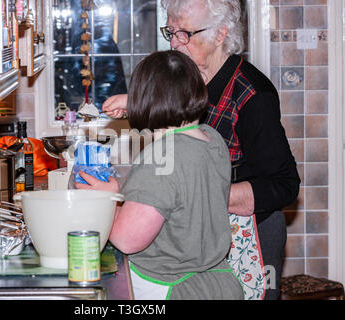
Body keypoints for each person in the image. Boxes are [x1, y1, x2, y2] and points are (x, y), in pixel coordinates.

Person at [102, 0, 300, 300]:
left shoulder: (253, 95)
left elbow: (284, 185)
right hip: (198, 245)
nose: (174, 43)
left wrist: (198, 194)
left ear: (221, 33)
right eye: (170, 32)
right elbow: (178, 118)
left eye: (185, 33)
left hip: (249, 237)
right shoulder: (192, 81)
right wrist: (138, 102)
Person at [76, 50, 244, 300]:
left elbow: (127, 240)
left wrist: (109, 199)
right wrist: (136, 101)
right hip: (220, 284)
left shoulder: (161, 158)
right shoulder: (212, 140)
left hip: (170, 290)